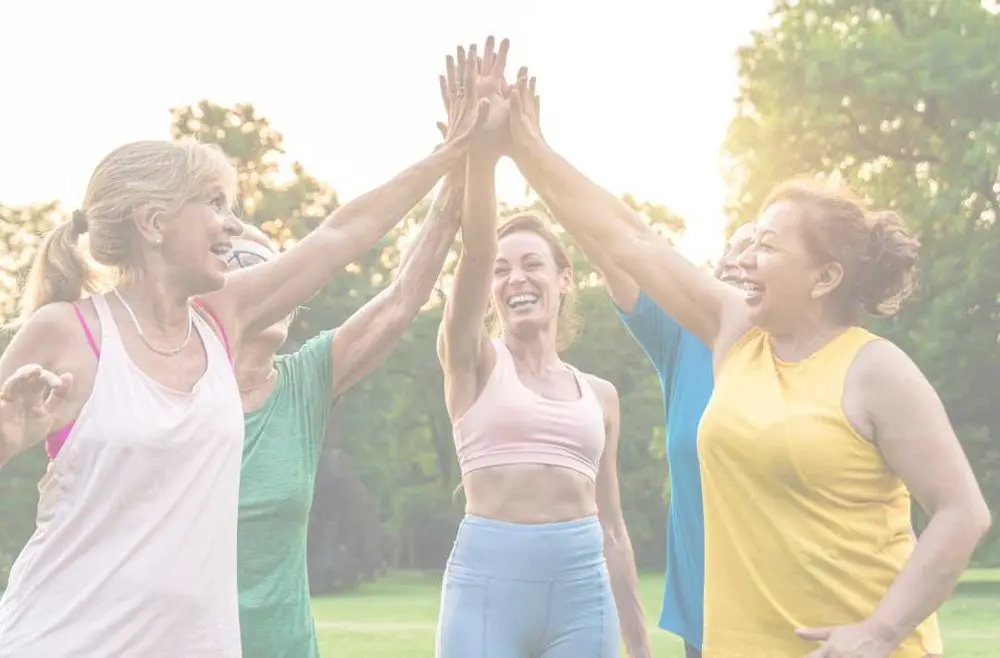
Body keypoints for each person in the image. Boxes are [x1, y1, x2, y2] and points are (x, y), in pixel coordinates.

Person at [0, 58, 489, 656]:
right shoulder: (66, 331)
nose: (232, 227)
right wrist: (6, 436)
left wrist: (448, 155)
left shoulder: (221, 318)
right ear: (155, 221)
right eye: (214, 204)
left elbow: (341, 235)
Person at [505, 69, 991, 657]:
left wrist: (881, 630)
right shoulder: (734, 332)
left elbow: (962, 513)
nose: (745, 261)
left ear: (826, 276)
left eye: (767, 246)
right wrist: (529, 149)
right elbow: (631, 238)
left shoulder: (875, 370)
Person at [434, 38, 650, 658]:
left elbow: (613, 528)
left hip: (583, 594)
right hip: (485, 591)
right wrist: (483, 151)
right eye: (503, 271)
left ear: (564, 279)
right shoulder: (471, 361)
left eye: (532, 264)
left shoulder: (600, 396)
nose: (514, 278)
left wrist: (638, 643)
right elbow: (474, 249)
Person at [225, 171, 461, 658]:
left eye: (279, 272)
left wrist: (459, 173)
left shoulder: (304, 382)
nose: (273, 286)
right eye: (248, 267)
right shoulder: (169, 391)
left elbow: (402, 298)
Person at [573, 221, 753, 658]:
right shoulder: (681, 337)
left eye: (760, 247)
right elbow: (614, 250)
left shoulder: (799, 349)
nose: (736, 259)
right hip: (706, 610)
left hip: (788, 603)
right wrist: (543, 169)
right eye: (731, 250)